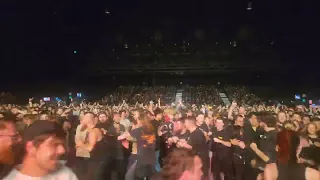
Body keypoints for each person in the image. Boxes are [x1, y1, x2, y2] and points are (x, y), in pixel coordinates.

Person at [3, 120, 78, 179]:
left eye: (62, 144)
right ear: (31, 148)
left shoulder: (66, 174)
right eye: (55, 144)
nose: (62, 150)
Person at [76, 112, 107, 180]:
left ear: (88, 120)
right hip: (97, 159)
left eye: (84, 118)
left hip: (98, 161)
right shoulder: (92, 130)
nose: (82, 120)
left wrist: (81, 144)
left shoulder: (93, 131)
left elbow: (90, 148)